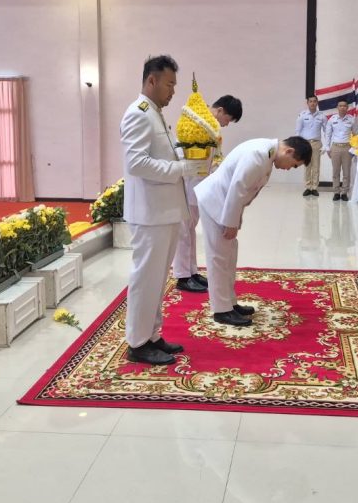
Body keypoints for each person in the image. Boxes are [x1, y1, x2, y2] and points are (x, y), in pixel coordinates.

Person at [121, 55, 202, 366]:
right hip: (150, 213)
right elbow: (137, 163)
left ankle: (152, 335)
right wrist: (181, 168)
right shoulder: (139, 114)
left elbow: (160, 154)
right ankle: (138, 343)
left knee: (157, 280)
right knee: (146, 279)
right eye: (169, 84)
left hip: (164, 211)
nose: (172, 91)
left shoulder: (155, 114)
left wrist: (186, 156)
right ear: (151, 80)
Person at [194, 136, 311, 326]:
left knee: (229, 256)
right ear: (288, 151)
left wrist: (235, 219)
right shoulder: (258, 155)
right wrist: (231, 223)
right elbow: (237, 189)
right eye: (294, 164)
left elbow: (242, 193)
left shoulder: (267, 153)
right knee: (219, 257)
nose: (290, 168)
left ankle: (229, 303)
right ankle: (221, 310)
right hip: (216, 202)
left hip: (225, 204)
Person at [174, 94, 243, 293]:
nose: (226, 124)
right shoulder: (195, 121)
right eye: (228, 119)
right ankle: (182, 276)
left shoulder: (210, 127)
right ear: (220, 110)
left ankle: (191, 271)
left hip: (200, 184)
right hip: (187, 182)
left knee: (190, 229)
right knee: (183, 231)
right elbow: (182, 150)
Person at [322, 99, 358, 201]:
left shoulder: (351, 119)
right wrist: (327, 148)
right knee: (335, 171)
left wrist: (354, 148)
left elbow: (356, 134)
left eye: (344, 106)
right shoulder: (332, 119)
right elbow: (328, 134)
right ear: (337, 107)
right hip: (335, 148)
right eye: (340, 106)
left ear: (347, 107)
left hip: (347, 148)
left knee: (346, 172)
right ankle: (336, 192)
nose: (342, 107)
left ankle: (344, 192)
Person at [295, 95, 326, 197]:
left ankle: (314, 187)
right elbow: (298, 131)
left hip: (316, 143)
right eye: (310, 101)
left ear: (317, 103)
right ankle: (308, 187)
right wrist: (298, 145)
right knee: (307, 166)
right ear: (307, 103)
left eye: (314, 101)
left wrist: (326, 145)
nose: (312, 103)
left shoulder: (322, 116)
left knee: (316, 166)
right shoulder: (302, 115)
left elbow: (327, 131)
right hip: (305, 144)